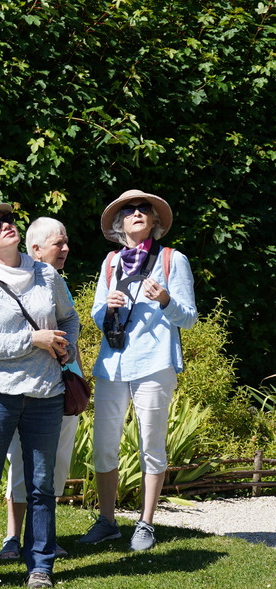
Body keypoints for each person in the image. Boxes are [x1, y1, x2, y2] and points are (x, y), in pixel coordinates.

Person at [0, 204, 79, 588]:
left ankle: (40, 564)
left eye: (8, 220)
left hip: (45, 393)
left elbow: (69, 318)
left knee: (42, 484)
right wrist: (34, 339)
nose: (6, 225)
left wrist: (68, 347)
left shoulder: (46, 274)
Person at [77, 190, 197, 551]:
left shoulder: (173, 260)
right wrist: (106, 308)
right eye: (129, 210)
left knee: (151, 445)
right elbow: (98, 316)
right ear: (119, 225)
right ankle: (108, 522)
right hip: (113, 364)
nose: (138, 213)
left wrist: (165, 300)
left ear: (154, 221)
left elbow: (188, 319)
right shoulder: (110, 262)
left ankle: (145, 523)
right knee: (103, 447)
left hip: (155, 362)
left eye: (145, 209)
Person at [0, 217, 79, 562]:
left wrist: (68, 348)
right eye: (58, 243)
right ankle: (12, 537)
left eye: (65, 242)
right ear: (35, 249)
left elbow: (69, 319)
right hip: (17, 386)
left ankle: (44, 535)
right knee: (19, 461)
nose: (65, 249)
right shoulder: (12, 279)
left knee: (54, 463)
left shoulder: (55, 280)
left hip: (59, 382)